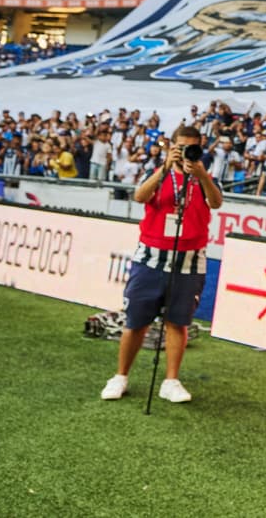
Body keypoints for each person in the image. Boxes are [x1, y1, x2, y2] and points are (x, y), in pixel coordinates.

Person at [101, 126, 223, 403]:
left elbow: (216, 203)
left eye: (193, 147)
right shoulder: (157, 172)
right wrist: (165, 168)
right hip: (151, 258)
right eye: (181, 147)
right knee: (136, 321)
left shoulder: (206, 177)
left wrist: (201, 174)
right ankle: (120, 376)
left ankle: (171, 380)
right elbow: (140, 196)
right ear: (172, 146)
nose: (186, 153)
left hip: (189, 261)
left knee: (177, 322)